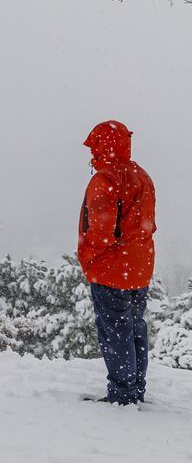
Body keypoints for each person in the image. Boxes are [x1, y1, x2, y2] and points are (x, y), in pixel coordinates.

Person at [78, 120, 156, 406]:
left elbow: (100, 230)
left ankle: (122, 394)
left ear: (103, 145)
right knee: (135, 327)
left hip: (112, 269)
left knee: (115, 332)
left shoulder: (106, 179)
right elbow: (145, 224)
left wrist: (88, 258)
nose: (91, 154)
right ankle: (135, 389)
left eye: (94, 146)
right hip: (140, 267)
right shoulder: (141, 176)